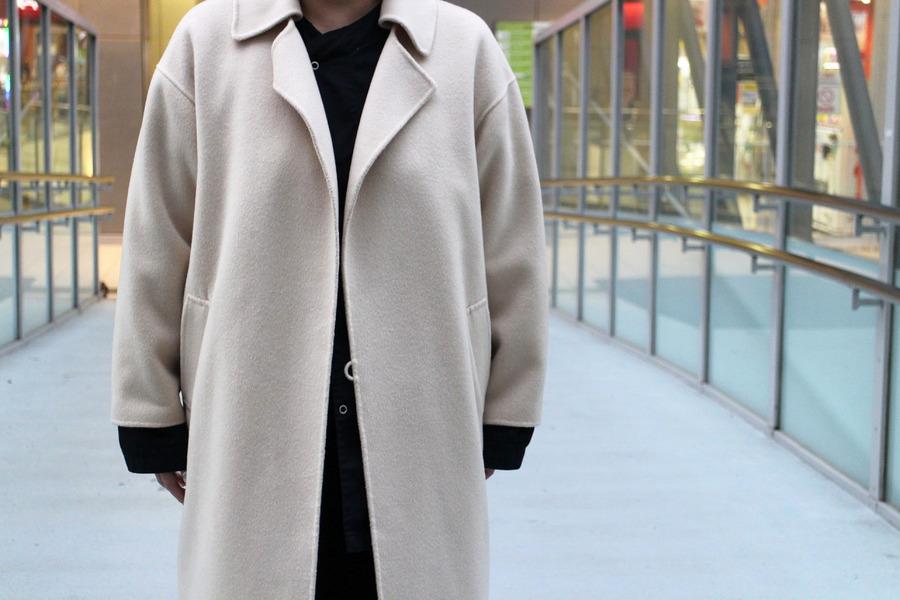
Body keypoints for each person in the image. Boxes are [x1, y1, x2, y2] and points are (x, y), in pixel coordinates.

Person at [110, 0, 549, 598]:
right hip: (252, 424)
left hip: (420, 425)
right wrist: (149, 411)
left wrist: (507, 410)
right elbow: (156, 240)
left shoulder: (464, 50)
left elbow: (512, 245)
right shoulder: (206, 44)